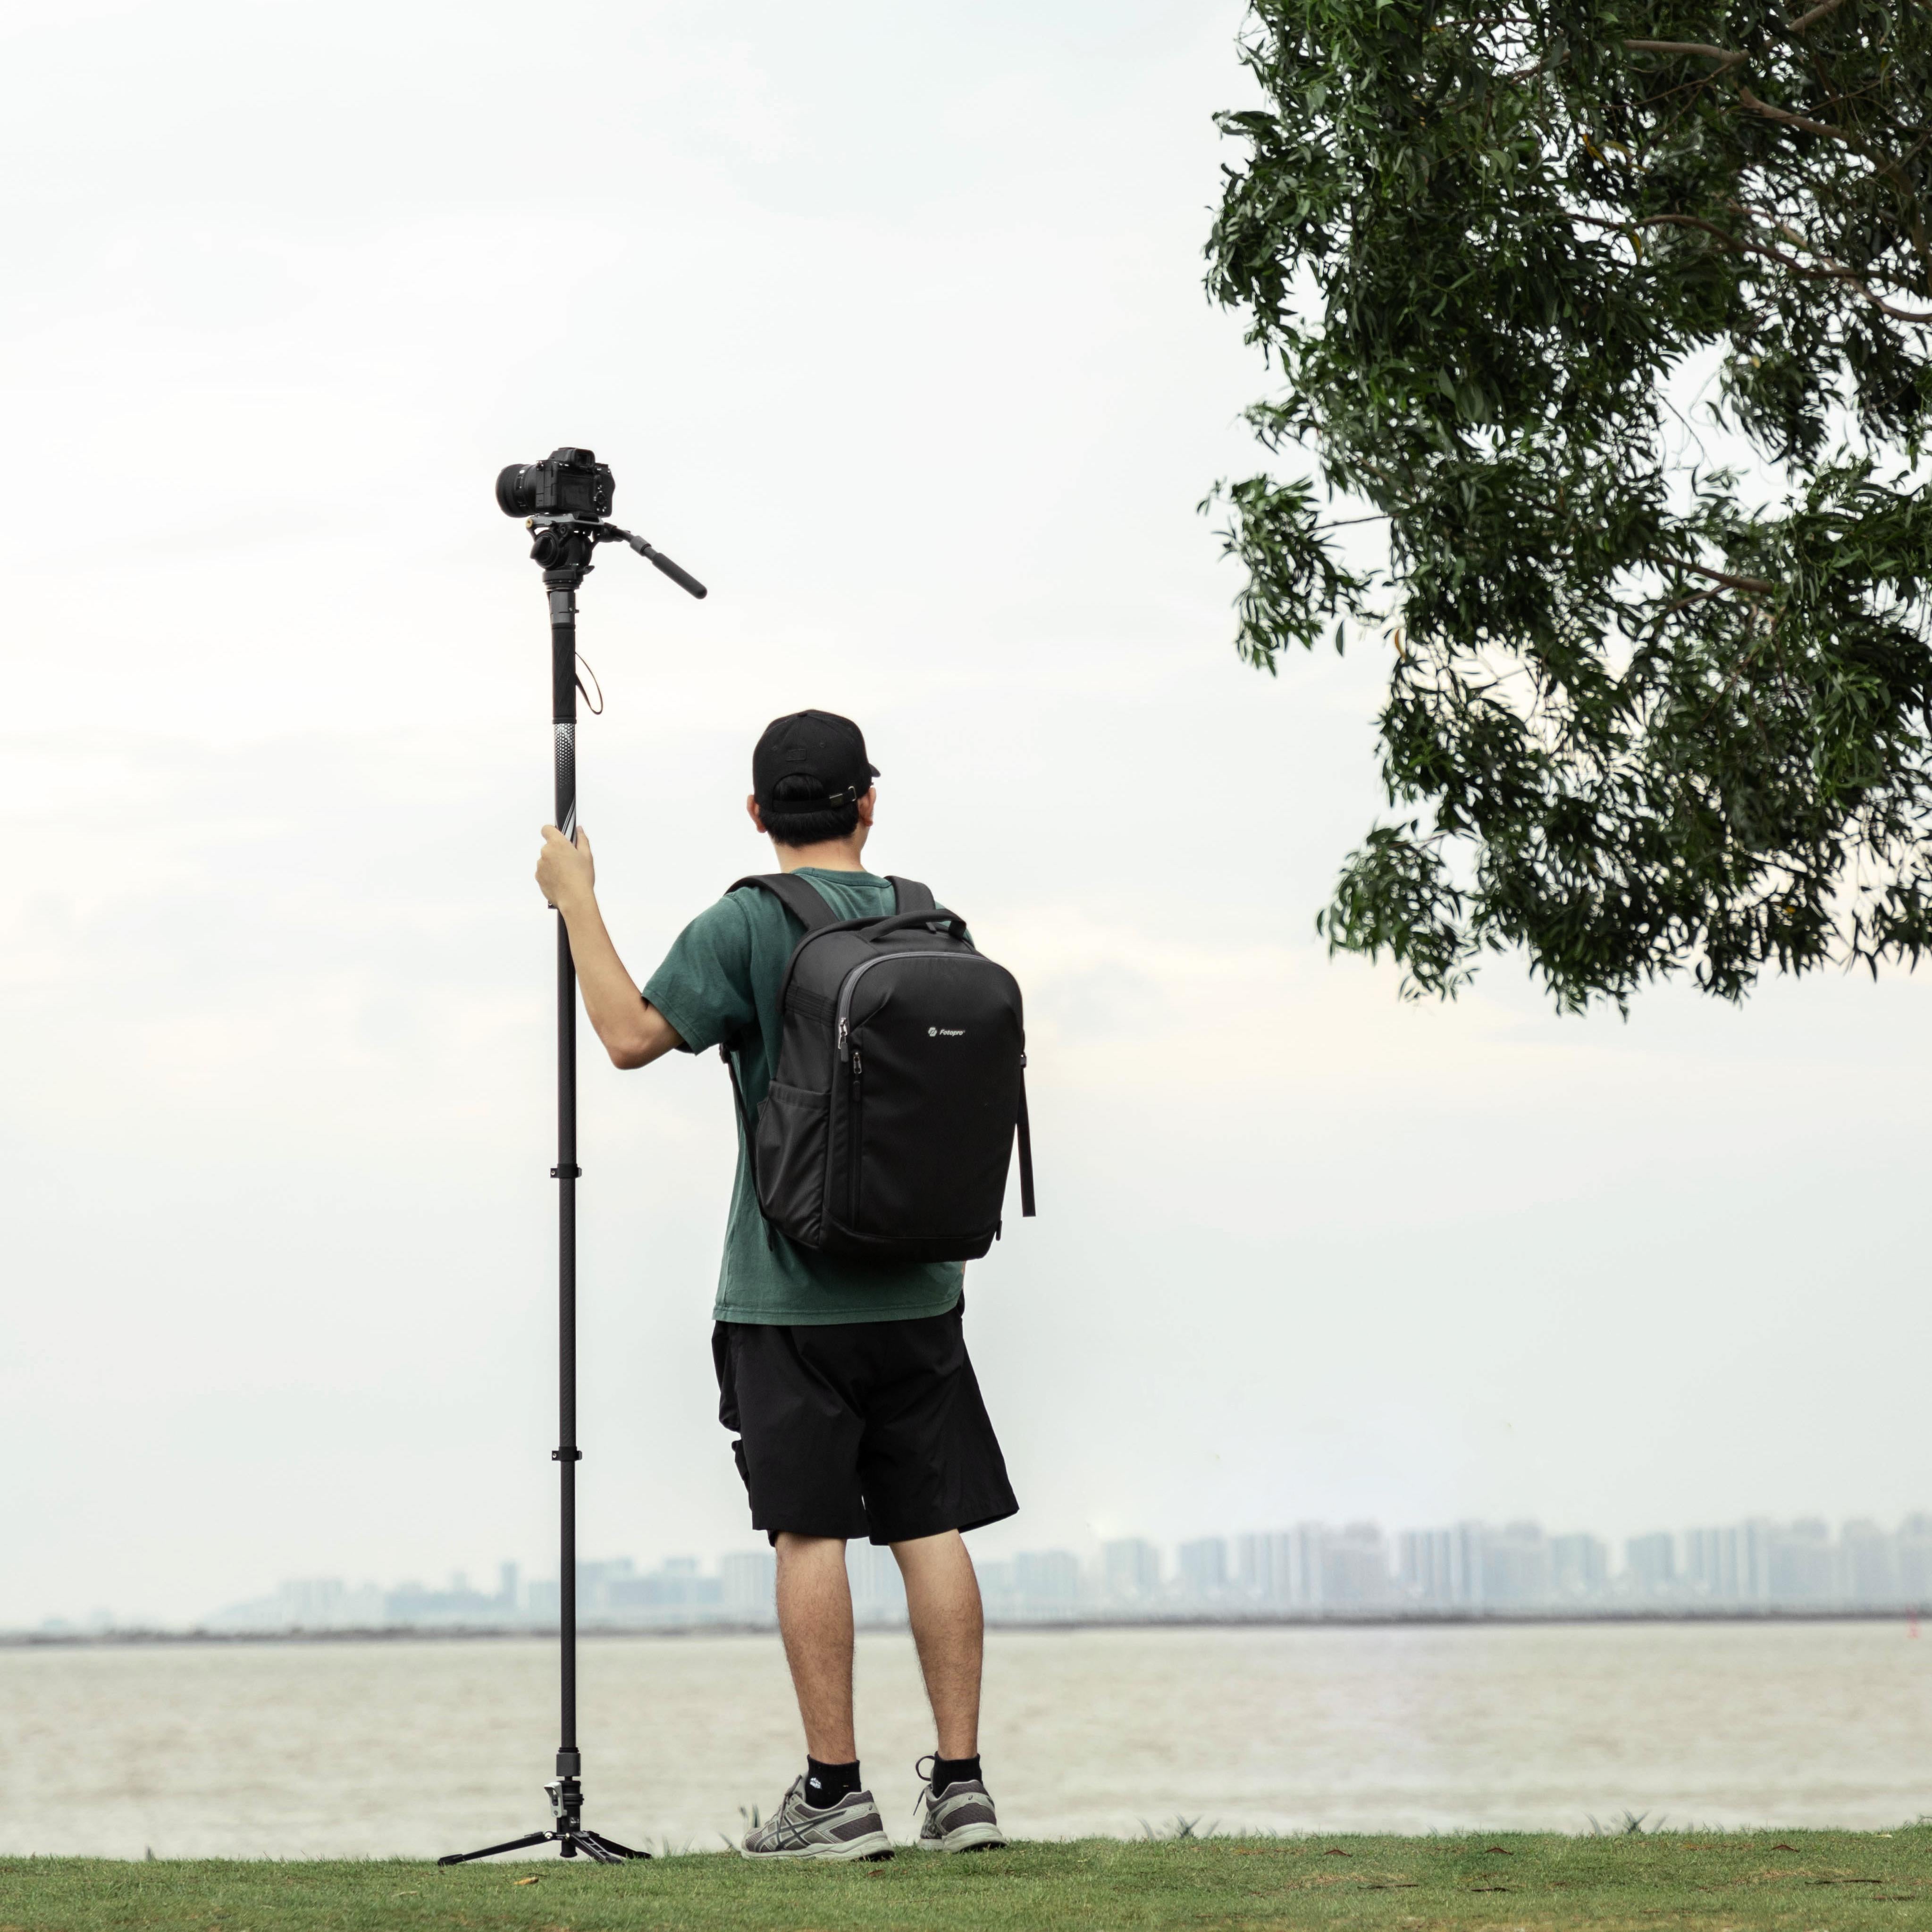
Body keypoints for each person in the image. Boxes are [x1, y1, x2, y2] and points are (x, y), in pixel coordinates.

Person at [532, 708, 1017, 1861]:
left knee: (810, 1534)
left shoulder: (749, 921)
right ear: (867, 804)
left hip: (787, 1291)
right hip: (923, 1286)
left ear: (758, 813)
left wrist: (575, 899)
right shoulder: (927, 915)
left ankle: (834, 1793)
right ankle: (963, 1788)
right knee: (929, 1523)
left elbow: (629, 1034)